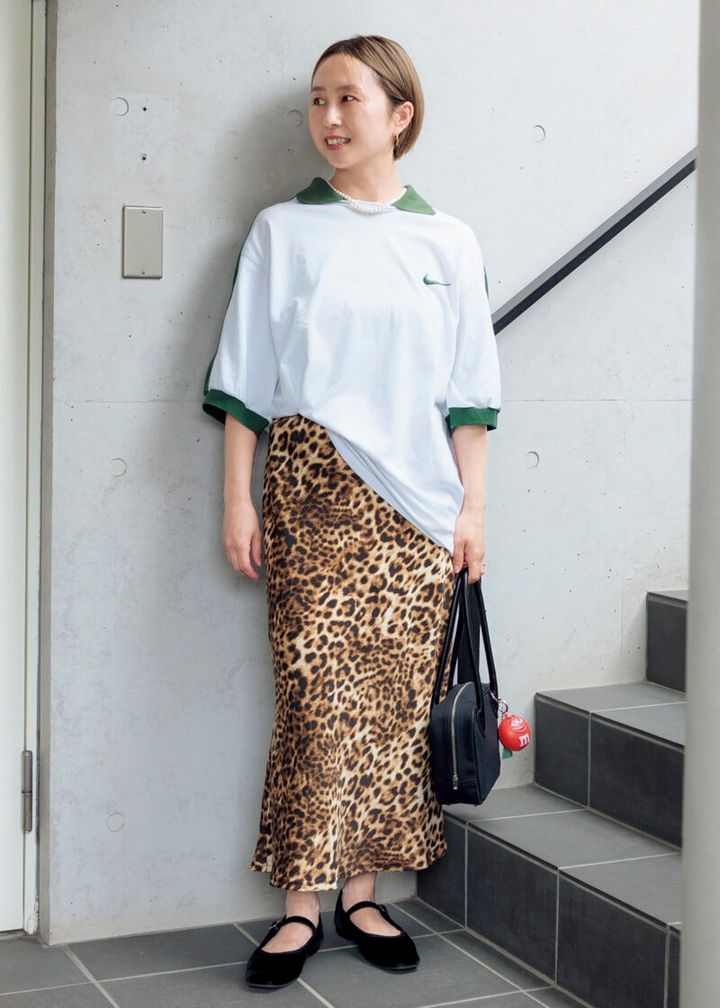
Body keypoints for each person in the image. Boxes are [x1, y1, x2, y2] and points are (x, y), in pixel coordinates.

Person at [201, 34, 501, 992]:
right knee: (314, 701)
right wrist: (237, 500)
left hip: (420, 506)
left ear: (399, 115)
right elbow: (245, 380)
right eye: (318, 100)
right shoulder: (281, 231)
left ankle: (363, 897)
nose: (328, 118)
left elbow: (470, 395)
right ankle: (301, 904)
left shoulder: (448, 241)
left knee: (394, 709)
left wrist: (473, 511)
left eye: (349, 99)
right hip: (309, 488)